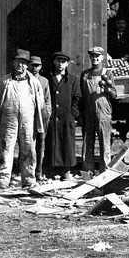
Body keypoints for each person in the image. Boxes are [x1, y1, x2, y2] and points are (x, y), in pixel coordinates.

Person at [0, 49, 47, 189]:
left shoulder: (34, 82)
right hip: (9, 119)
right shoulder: (5, 81)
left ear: (27, 65)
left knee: (28, 148)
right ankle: (3, 180)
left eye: (24, 63)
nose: (20, 65)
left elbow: (40, 103)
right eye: (18, 62)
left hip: (27, 120)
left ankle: (29, 179)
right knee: (6, 149)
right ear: (13, 63)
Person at [80, 46, 118, 175]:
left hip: (103, 111)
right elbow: (82, 95)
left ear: (102, 57)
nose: (95, 58)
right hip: (88, 110)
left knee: (104, 141)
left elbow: (114, 94)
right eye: (92, 56)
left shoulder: (107, 73)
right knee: (87, 141)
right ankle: (87, 171)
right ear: (90, 57)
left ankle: (105, 171)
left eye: (97, 56)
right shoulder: (85, 74)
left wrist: (107, 88)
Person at [45, 51, 81, 181]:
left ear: (67, 64)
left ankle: (66, 171)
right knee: (52, 143)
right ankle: (51, 171)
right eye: (58, 61)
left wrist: (73, 114)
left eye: (63, 62)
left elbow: (76, 97)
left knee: (67, 144)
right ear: (54, 62)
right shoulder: (48, 78)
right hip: (52, 117)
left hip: (66, 118)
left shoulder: (72, 79)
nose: (61, 64)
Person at [28, 55, 53, 182]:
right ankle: (28, 172)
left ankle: (39, 171)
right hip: (27, 117)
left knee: (40, 146)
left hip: (41, 118)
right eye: (32, 65)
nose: (34, 68)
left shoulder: (44, 81)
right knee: (28, 145)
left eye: (37, 65)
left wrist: (47, 113)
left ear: (41, 67)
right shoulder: (24, 80)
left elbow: (48, 100)